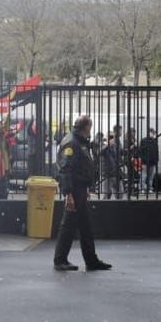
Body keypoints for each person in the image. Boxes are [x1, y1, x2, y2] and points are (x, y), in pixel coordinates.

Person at [52, 115, 110, 272]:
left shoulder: (79, 142)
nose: (90, 131)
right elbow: (66, 169)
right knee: (68, 225)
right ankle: (60, 260)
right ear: (86, 127)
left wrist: (85, 188)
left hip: (80, 189)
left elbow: (81, 167)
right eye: (90, 128)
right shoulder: (72, 143)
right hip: (74, 189)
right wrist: (69, 194)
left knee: (86, 227)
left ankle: (91, 260)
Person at [137, 127, 160, 193]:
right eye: (152, 133)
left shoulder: (154, 141)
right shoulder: (144, 141)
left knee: (150, 176)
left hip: (152, 161)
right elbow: (140, 151)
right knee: (144, 175)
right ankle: (142, 188)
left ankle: (149, 188)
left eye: (153, 133)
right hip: (145, 161)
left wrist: (156, 160)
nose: (153, 134)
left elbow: (156, 151)